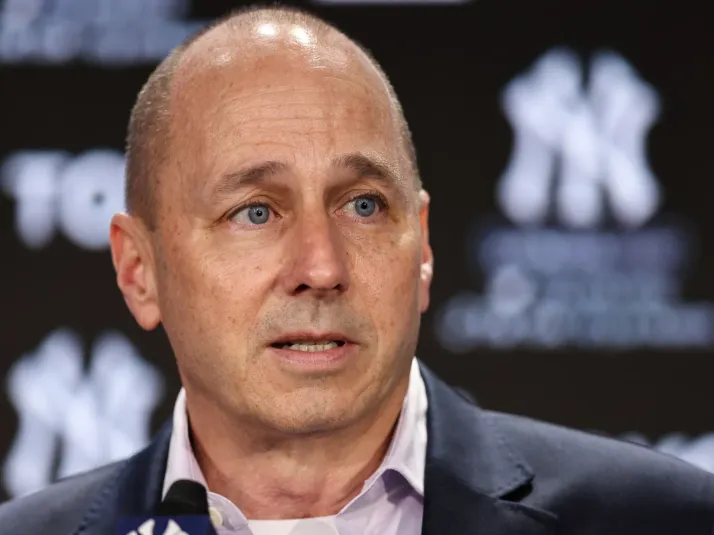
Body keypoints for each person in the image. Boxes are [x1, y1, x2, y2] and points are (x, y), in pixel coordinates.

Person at [2, 5, 714, 535]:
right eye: (255, 212)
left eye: (364, 205)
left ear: (423, 247)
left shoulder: (663, 519)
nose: (321, 267)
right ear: (139, 270)